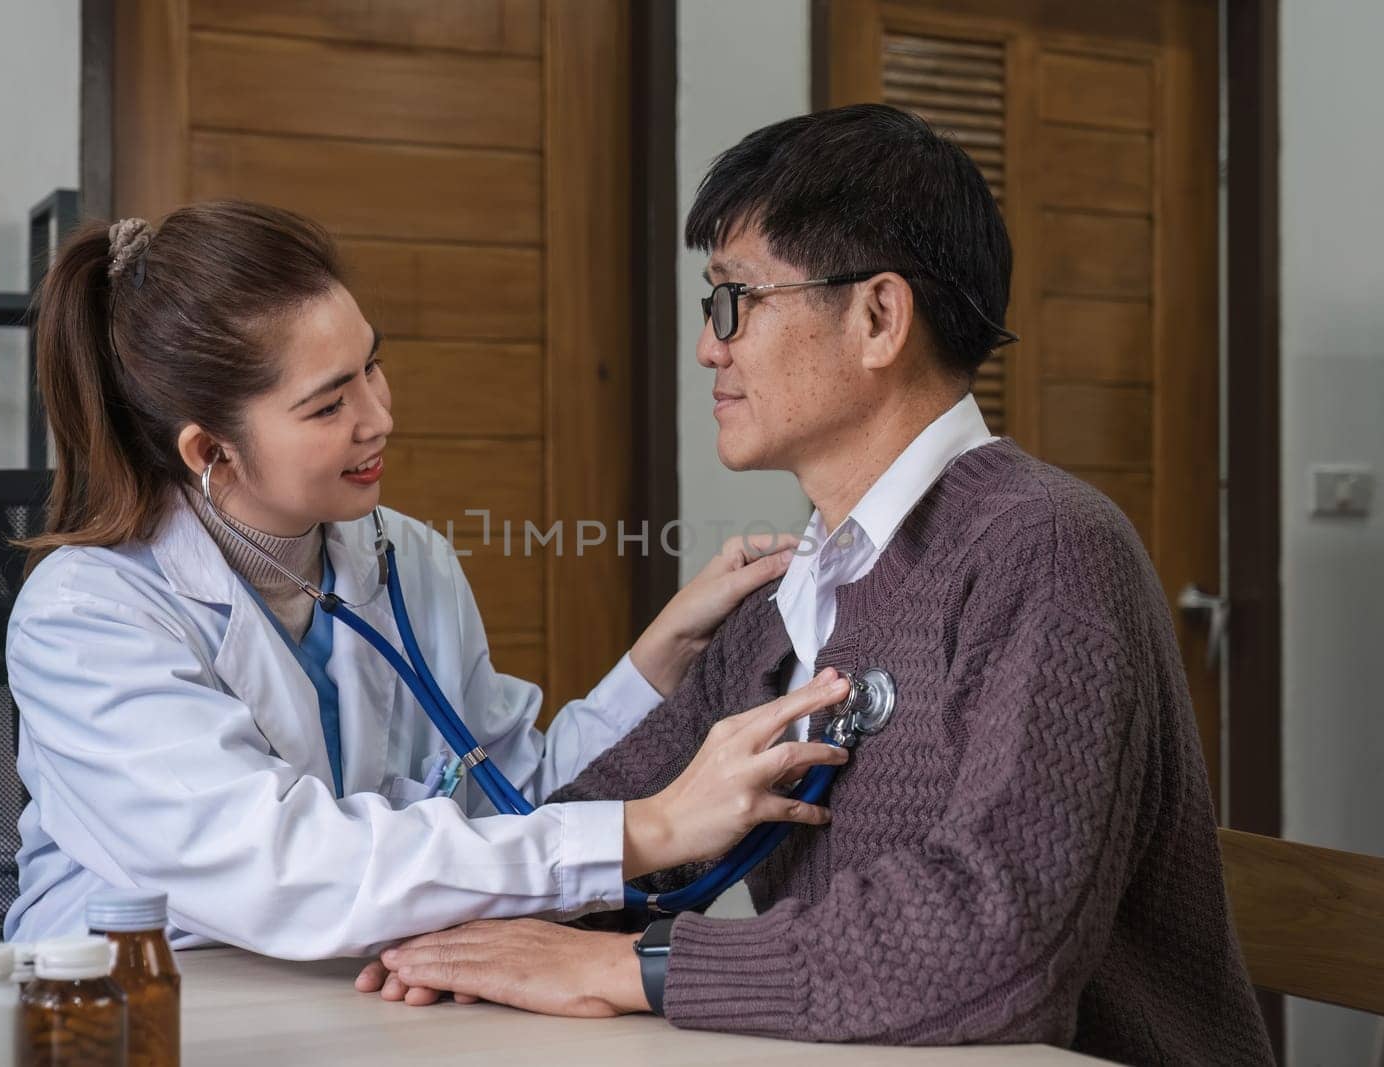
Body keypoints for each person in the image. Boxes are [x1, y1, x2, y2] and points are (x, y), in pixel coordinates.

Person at [358, 105, 1276, 1064]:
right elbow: (611, 832)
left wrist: (626, 969)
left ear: (878, 316)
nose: (711, 347)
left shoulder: (1047, 548)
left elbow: (996, 941)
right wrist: (452, 930)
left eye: (734, 301)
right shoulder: (784, 608)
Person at [3, 200, 858, 957]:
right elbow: (285, 868)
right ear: (210, 450)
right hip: (140, 1004)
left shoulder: (398, 555)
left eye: (371, 366)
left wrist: (658, 660)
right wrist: (652, 827)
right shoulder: (88, 617)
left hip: (360, 989)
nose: (380, 417)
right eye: (329, 404)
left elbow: (510, 791)